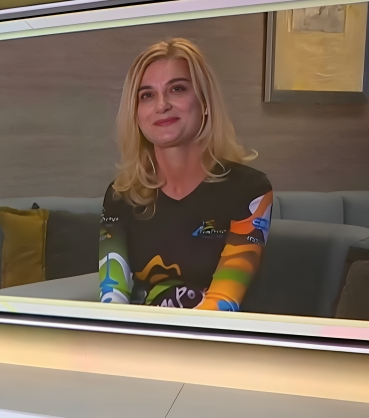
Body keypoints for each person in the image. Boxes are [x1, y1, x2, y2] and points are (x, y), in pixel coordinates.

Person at [99, 38, 273, 311]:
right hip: (138, 334)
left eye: (177, 89)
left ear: (205, 102)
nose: (161, 105)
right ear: (136, 113)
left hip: (213, 334)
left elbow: (223, 302)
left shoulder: (249, 190)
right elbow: (113, 296)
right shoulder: (121, 194)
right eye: (147, 95)